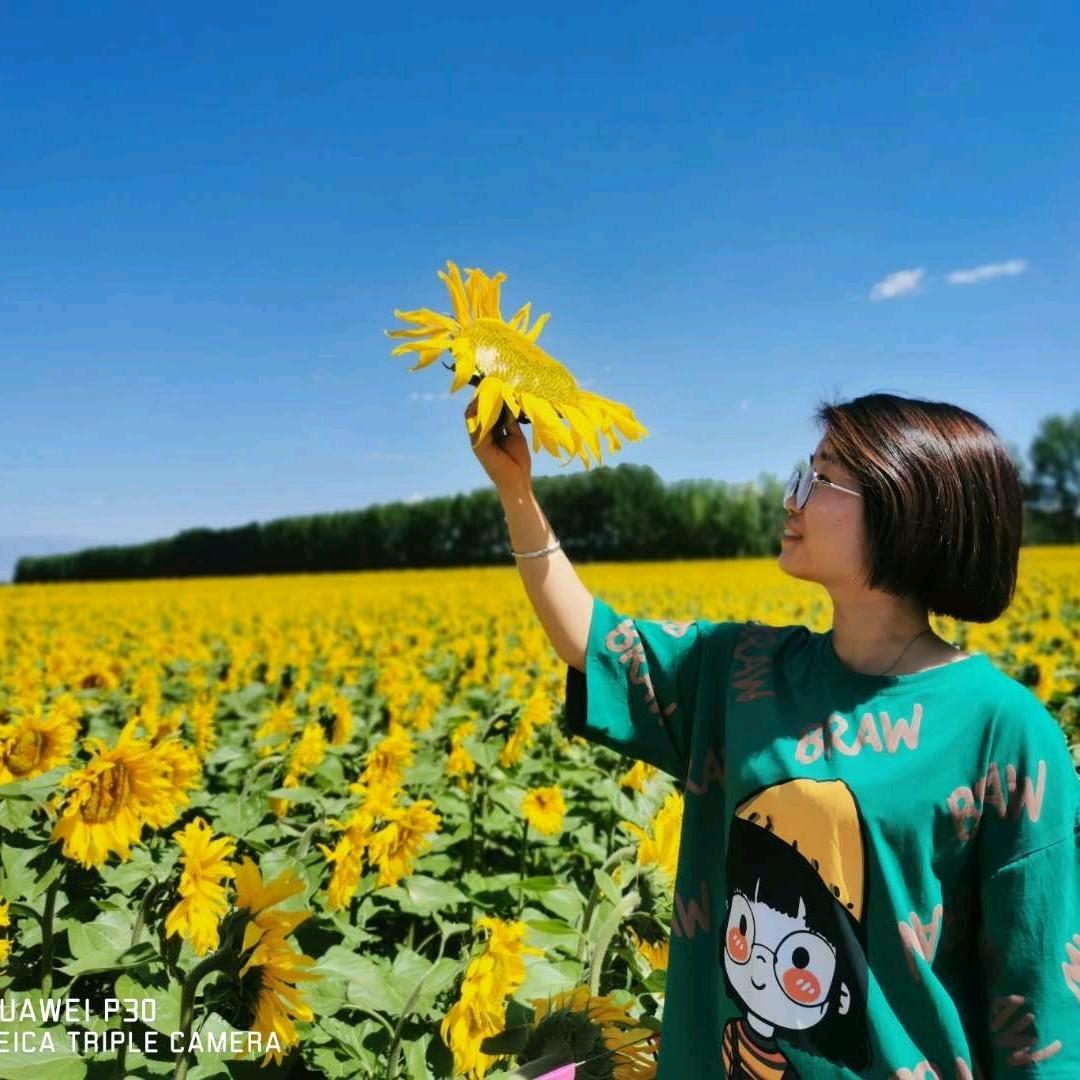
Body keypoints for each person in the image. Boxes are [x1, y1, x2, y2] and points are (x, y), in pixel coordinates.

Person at [465, 391, 1080, 1079]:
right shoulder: (742, 671)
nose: (793, 498)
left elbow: (1040, 1000)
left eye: (822, 479)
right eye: (802, 474)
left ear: (905, 506)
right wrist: (515, 488)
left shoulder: (1005, 731)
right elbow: (593, 642)